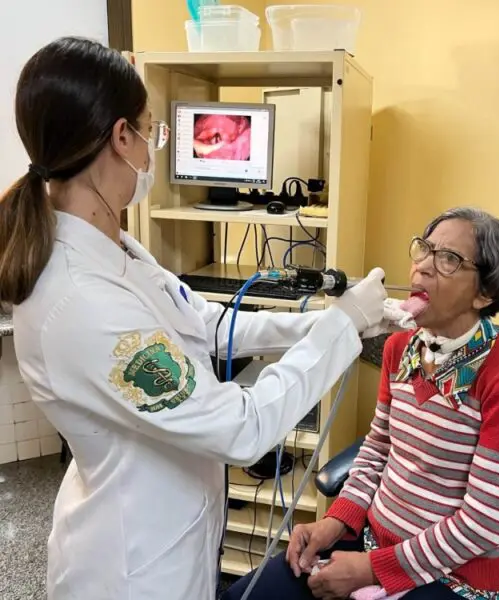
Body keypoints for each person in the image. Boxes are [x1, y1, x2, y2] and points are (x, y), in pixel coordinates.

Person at [0, 38, 390, 600]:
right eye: (153, 132)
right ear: (120, 137)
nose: (154, 149)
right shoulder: (78, 301)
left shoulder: (117, 249)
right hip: (134, 568)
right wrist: (342, 328)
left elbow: (205, 323)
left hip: (171, 528)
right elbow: (240, 427)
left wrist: (324, 320)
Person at [225, 207, 499, 600]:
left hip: (457, 578)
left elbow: (485, 523)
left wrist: (372, 570)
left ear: (486, 293)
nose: (423, 268)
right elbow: (377, 449)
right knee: (248, 595)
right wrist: (336, 522)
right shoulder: (401, 347)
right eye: (425, 249)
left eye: (448, 259)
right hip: (373, 542)